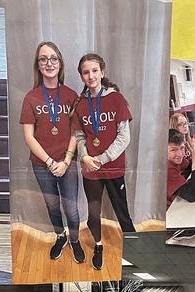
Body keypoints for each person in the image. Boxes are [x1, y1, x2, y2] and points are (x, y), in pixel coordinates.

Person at [20, 42, 85, 263]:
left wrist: (66, 161)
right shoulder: (31, 97)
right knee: (52, 204)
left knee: (71, 207)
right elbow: (29, 136)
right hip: (42, 164)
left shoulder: (71, 95)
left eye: (53, 58)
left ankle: (74, 239)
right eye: (43, 59)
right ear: (38, 65)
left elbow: (77, 131)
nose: (49, 63)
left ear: (60, 63)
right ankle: (61, 236)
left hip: (67, 162)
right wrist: (49, 162)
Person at [73, 53, 136, 270]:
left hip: (112, 165)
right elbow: (80, 136)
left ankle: (137, 249)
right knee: (93, 212)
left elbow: (124, 137)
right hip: (90, 168)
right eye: (85, 72)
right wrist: (84, 156)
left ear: (102, 72)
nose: (90, 76)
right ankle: (98, 245)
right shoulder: (81, 104)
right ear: (81, 76)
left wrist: (102, 158)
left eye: (94, 71)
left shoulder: (116, 99)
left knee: (122, 212)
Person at [167, 129, 195, 208]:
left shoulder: (175, 159)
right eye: (174, 150)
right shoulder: (167, 168)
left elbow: (189, 166)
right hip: (169, 212)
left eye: (182, 148)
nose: (180, 154)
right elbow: (191, 195)